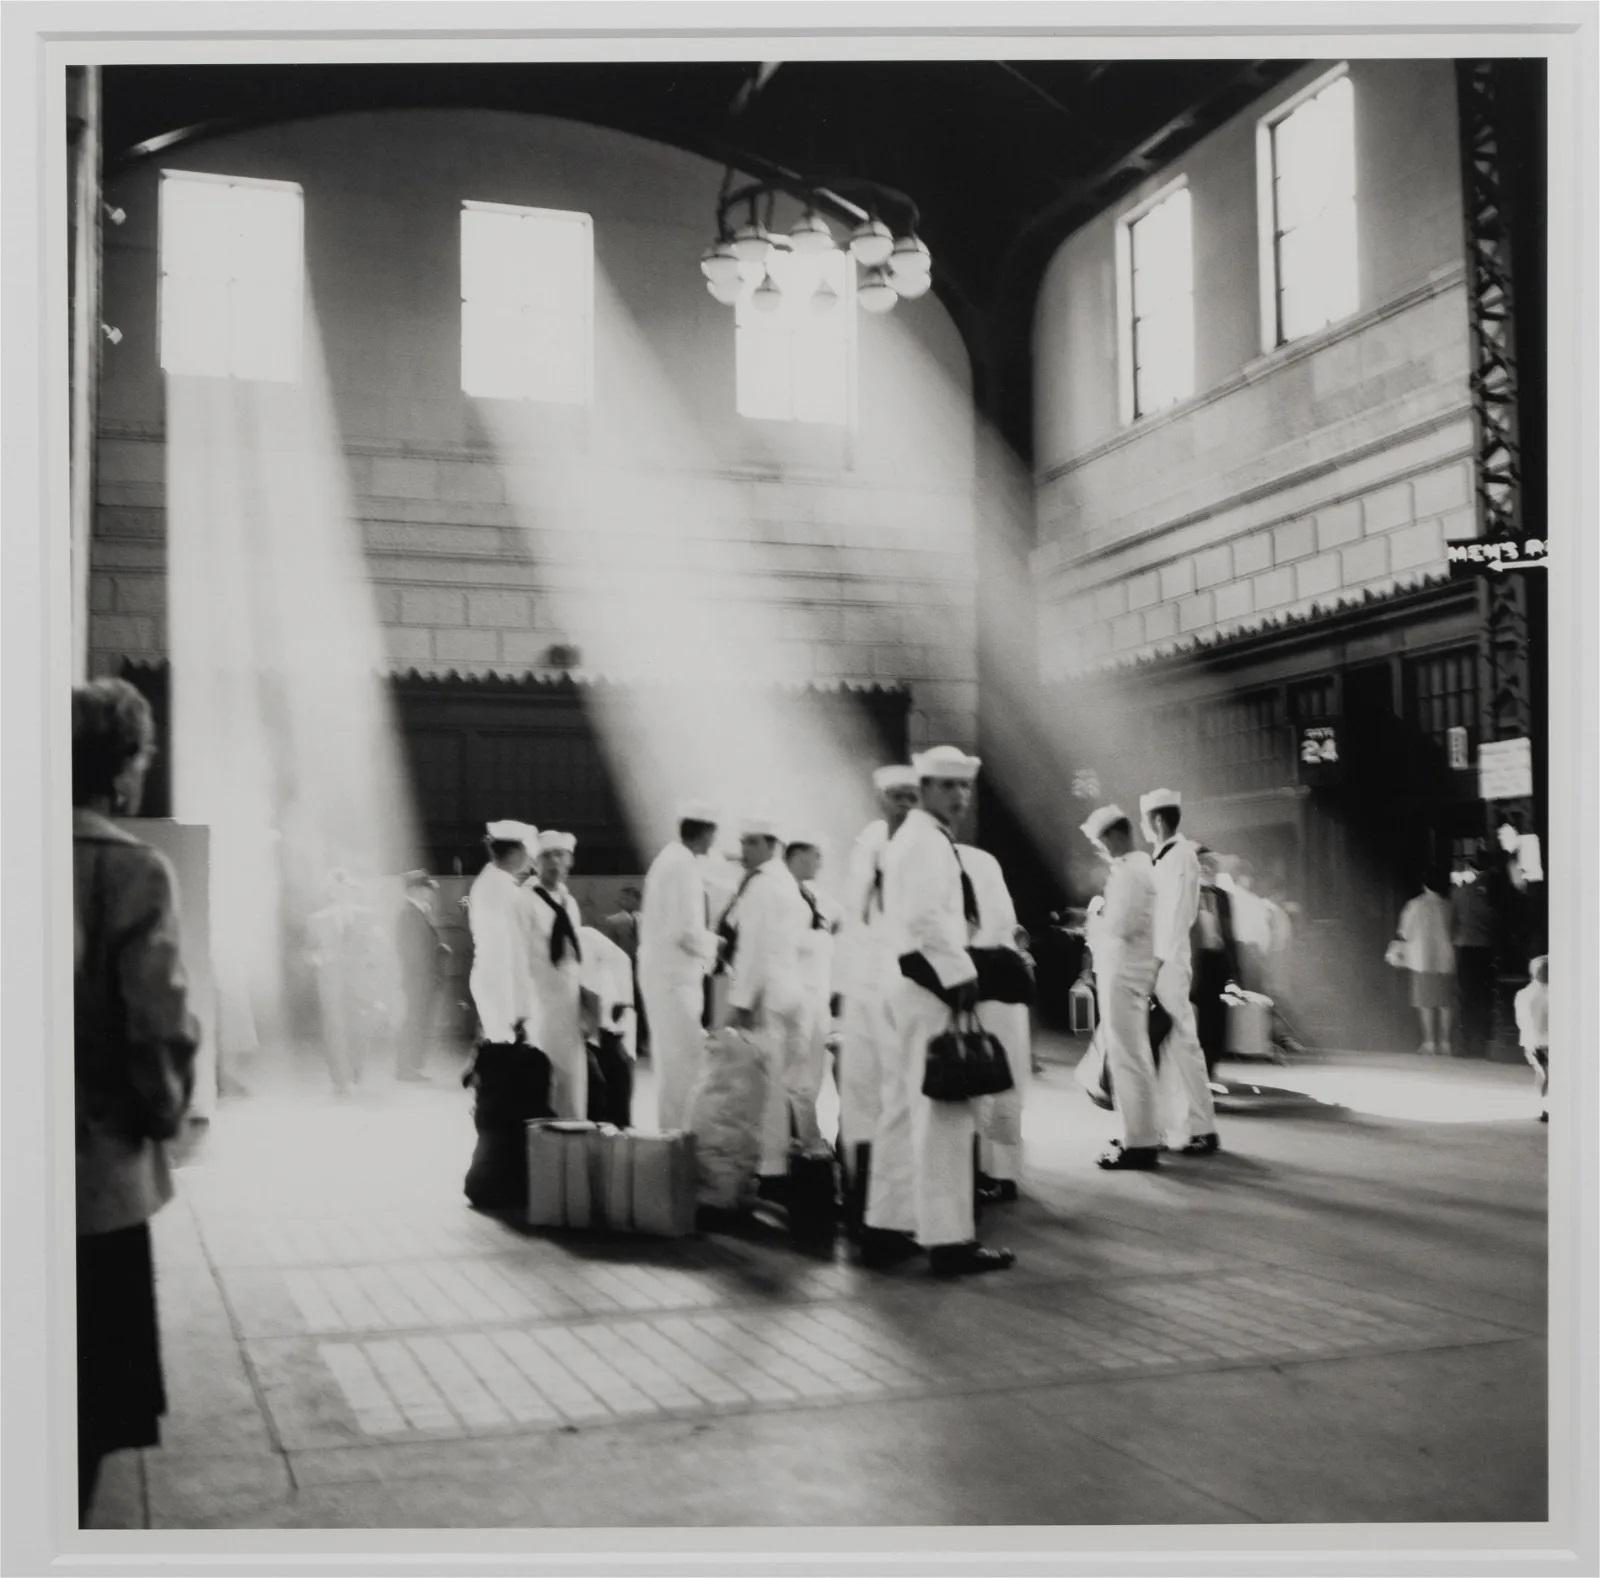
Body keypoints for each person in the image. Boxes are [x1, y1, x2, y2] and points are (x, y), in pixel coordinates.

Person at [73, 678, 200, 1520]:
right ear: (123, 771)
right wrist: (165, 1116)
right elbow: (156, 1025)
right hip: (91, 1185)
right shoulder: (128, 869)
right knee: (78, 1410)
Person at [862, 744, 1016, 1277]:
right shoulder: (926, 843)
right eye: (947, 786)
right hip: (930, 987)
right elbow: (928, 920)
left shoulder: (911, 839)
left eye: (964, 787)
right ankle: (950, 1241)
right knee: (946, 1113)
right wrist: (962, 976)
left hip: (906, 984)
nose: (959, 796)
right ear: (924, 789)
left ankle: (886, 1226)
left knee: (904, 1110)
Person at [834, 765, 920, 1235]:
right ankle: (860, 1201)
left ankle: (893, 1212)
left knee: (898, 1098)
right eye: (897, 797)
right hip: (864, 985)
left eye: (912, 796)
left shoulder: (922, 848)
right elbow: (855, 917)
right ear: (881, 800)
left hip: (899, 984)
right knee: (861, 1094)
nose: (905, 804)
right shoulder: (867, 845)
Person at [712, 815, 810, 1197]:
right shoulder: (784, 882)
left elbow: (753, 947)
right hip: (789, 987)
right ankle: (783, 1161)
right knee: (785, 1081)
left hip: (767, 992)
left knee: (767, 1086)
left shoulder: (762, 887)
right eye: (744, 842)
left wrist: (739, 1001)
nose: (744, 850)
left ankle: (772, 1169)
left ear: (772, 845)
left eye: (752, 843)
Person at [1080, 804, 1161, 1171]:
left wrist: (1098, 914)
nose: (1101, 851)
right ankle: (1138, 1131)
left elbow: (1121, 925)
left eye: (1101, 843)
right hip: (1131, 971)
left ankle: (1139, 1142)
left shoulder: (1131, 873)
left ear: (1115, 835)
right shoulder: (1140, 868)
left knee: (1128, 1058)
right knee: (1133, 1055)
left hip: (1124, 973)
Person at [1142, 789, 1219, 1156]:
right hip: (1163, 960)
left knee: (1183, 1042)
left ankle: (1203, 1127)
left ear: (1157, 821)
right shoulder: (1167, 857)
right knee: (1169, 1045)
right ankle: (1177, 1127)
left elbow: (1175, 918)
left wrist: (1155, 963)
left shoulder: (1180, 856)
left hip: (1168, 962)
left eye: (1146, 821)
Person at [637, 804, 720, 1130]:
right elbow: (685, 933)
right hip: (674, 978)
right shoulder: (681, 866)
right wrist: (717, 946)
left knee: (675, 1062)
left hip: (668, 976)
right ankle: (679, 1140)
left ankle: (674, 1136)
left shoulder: (671, 861)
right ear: (707, 833)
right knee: (683, 1064)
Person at [959, 842, 1031, 1203]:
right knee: (1007, 1078)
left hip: (978, 979)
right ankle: (1004, 1172)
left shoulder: (949, 859)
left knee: (977, 1079)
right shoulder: (983, 859)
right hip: (1006, 977)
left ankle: (982, 1170)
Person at [523, 830, 588, 1120]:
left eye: (559, 855)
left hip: (569, 1000)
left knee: (572, 1075)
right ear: (535, 862)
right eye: (546, 856)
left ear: (570, 860)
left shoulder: (568, 902)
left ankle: (572, 1129)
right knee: (543, 1073)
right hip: (541, 999)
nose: (553, 862)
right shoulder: (525, 899)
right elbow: (519, 954)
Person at [784, 833, 842, 1157]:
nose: (820, 863)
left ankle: (807, 1135)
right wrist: (821, 939)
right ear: (799, 856)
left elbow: (839, 919)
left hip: (818, 992)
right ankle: (806, 1138)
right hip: (797, 993)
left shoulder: (815, 893)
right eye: (815, 855)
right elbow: (787, 942)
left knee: (816, 1071)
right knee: (799, 1072)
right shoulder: (782, 893)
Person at [466, 821, 535, 1046]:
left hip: (495, 979)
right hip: (502, 982)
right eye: (528, 852)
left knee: (501, 1051)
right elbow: (513, 948)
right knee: (504, 1053)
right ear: (515, 853)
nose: (530, 860)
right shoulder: (503, 889)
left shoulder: (493, 881)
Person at [394, 870, 450, 1082]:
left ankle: (410, 1068)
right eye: (427, 888)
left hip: (419, 980)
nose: (430, 893)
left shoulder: (416, 912)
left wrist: (438, 948)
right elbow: (411, 951)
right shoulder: (409, 914)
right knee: (414, 1023)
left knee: (416, 1022)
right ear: (415, 889)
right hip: (418, 981)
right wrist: (438, 952)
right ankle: (407, 1069)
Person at [579, 923, 636, 1128]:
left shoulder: (582, 939)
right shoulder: (585, 936)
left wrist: (591, 1039)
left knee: (607, 1078)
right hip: (614, 1014)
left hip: (609, 1015)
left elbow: (591, 991)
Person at [1190, 846, 1240, 1077]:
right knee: (1193, 1022)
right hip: (1194, 962)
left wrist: (1234, 974)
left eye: (1211, 863)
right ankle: (1194, 1072)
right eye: (1202, 863)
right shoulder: (1186, 894)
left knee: (1216, 1021)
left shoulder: (1223, 897)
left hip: (1216, 962)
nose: (1207, 868)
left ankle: (1210, 1069)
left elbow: (1229, 936)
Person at [1397, 873, 1457, 1055]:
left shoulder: (1414, 905)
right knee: (1445, 1002)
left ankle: (1429, 1042)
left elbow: (1405, 933)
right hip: (1445, 958)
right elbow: (1454, 931)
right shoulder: (1449, 906)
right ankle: (1446, 1042)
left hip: (1421, 959)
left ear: (1424, 885)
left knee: (1425, 1002)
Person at [1451, 860, 1496, 1057]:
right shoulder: (1489, 896)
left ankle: (1465, 1040)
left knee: (1465, 995)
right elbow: (1494, 919)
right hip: (1484, 946)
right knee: (1483, 994)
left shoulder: (1458, 893)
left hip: (1463, 946)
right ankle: (1482, 1039)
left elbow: (1452, 921)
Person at [1514, 955, 1549, 1122]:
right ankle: (1545, 1106)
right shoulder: (1555, 993)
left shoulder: (1523, 993)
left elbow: (1521, 1020)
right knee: (1547, 1075)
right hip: (1545, 1042)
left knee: (1543, 1074)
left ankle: (1544, 1106)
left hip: (1533, 1042)